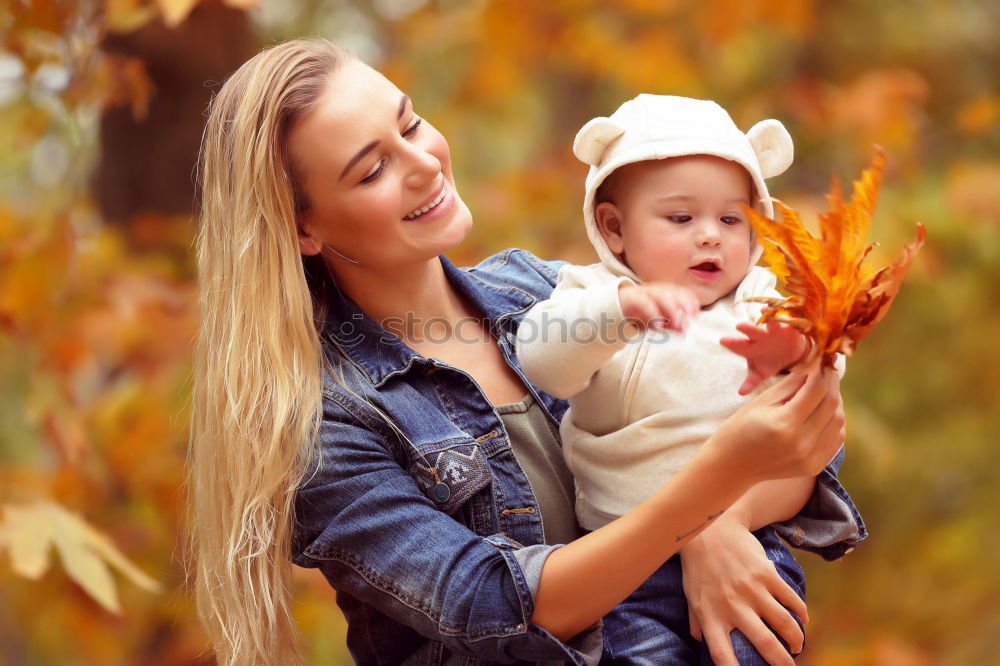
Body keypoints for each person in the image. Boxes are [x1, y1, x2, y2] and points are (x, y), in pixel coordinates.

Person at [187, 39, 865, 666]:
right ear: (302, 227)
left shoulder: (541, 292)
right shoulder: (328, 426)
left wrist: (721, 523)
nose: (424, 163)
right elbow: (493, 605)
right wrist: (703, 500)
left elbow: (802, 440)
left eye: (411, 124)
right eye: (373, 170)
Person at [515, 94, 853, 664]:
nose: (711, 236)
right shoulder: (589, 295)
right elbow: (544, 361)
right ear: (614, 227)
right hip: (625, 566)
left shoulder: (757, 297)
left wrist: (794, 346)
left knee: (752, 650)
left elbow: (827, 370)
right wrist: (622, 309)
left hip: (750, 542)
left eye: (731, 219)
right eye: (681, 218)